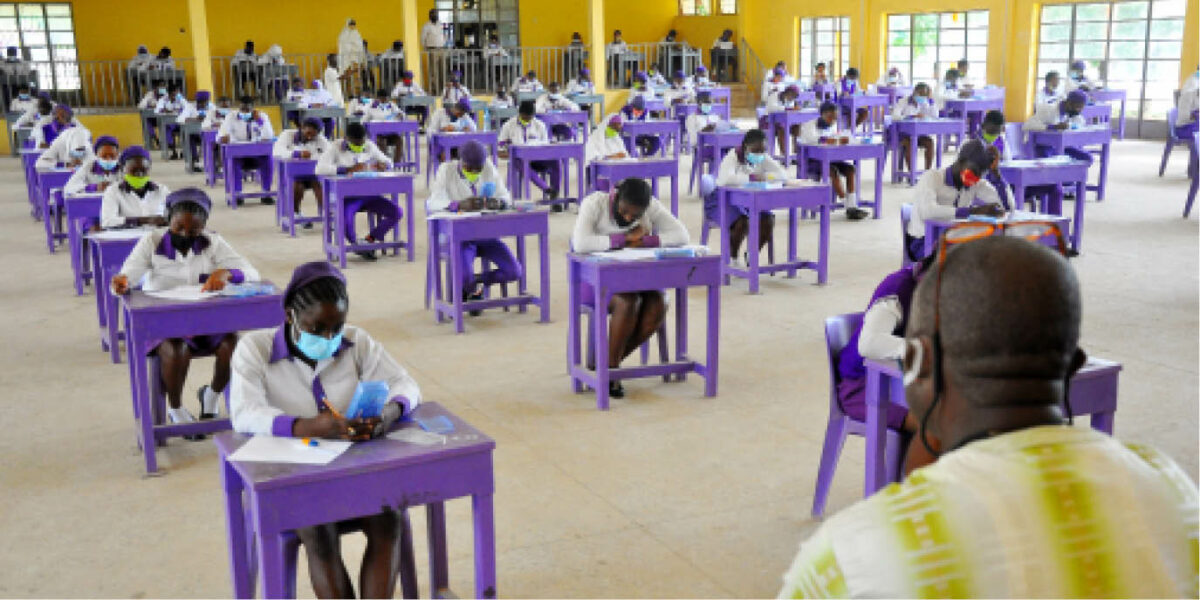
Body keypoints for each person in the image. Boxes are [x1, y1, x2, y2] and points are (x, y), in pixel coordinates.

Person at [779, 236, 1199, 599]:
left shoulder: (855, 559)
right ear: (1073, 365)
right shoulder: (1173, 490)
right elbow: (869, 343)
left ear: (919, 365)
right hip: (859, 384)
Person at [229, 261, 421, 600]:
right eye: (317, 328)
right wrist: (304, 426)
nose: (329, 338)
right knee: (318, 528)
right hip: (297, 478)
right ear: (290, 316)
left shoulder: (356, 342)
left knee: (389, 519)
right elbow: (244, 413)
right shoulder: (255, 350)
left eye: (337, 327)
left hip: (354, 469)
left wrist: (389, 413)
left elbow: (404, 382)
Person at [113, 189, 258, 436]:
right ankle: (176, 408)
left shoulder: (213, 242)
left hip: (205, 321)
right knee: (176, 350)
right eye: (179, 227)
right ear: (169, 219)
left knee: (233, 343)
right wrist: (122, 283)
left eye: (193, 231)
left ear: (204, 227)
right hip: (165, 325)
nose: (185, 235)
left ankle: (211, 395)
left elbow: (251, 272)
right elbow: (129, 274)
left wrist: (227, 273)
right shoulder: (152, 242)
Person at [571, 178, 689, 398]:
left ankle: (605, 366)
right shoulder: (594, 204)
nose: (628, 218)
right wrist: (624, 239)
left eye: (634, 216)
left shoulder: (650, 205)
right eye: (624, 211)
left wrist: (646, 242)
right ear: (616, 198)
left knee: (659, 303)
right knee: (629, 302)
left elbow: (682, 235)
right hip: (594, 282)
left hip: (638, 279)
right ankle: (612, 371)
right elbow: (581, 243)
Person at [834, 259, 932, 436]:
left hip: (907, 381)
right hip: (864, 388)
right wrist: (925, 351)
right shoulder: (898, 289)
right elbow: (870, 343)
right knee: (937, 428)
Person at [426, 140, 522, 312]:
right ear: (461, 161)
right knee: (463, 273)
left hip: (485, 234)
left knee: (514, 271)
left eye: (478, 168)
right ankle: (470, 287)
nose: (474, 172)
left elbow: (506, 196)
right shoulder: (446, 170)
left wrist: (497, 203)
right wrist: (456, 205)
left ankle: (473, 283)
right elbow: (433, 202)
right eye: (470, 168)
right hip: (460, 238)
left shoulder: (488, 168)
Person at [904, 140, 1004, 261]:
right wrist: (971, 212)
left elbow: (1006, 207)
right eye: (973, 172)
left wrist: (997, 176)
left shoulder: (976, 183)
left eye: (979, 175)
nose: (975, 178)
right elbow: (927, 212)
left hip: (954, 239)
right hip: (923, 241)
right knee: (968, 262)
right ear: (960, 162)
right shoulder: (932, 178)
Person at [314, 122, 399, 261]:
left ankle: (370, 239)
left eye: (361, 142)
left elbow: (388, 161)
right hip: (348, 197)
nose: (360, 146)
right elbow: (319, 169)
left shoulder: (369, 145)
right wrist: (346, 169)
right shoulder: (335, 147)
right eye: (356, 143)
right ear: (346, 138)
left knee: (396, 212)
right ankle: (356, 245)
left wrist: (385, 165)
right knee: (346, 220)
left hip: (368, 194)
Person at [704, 129, 783, 264]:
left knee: (768, 219)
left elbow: (782, 174)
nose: (759, 154)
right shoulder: (732, 157)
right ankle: (733, 256)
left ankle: (752, 254)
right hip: (722, 200)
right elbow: (726, 180)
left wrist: (765, 176)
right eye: (755, 150)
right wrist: (752, 178)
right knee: (742, 221)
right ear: (746, 147)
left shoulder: (762, 157)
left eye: (762, 150)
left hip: (748, 198)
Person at [799, 101, 869, 220]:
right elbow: (813, 140)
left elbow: (835, 138)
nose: (832, 120)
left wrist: (842, 140)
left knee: (850, 169)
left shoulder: (832, 126)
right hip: (812, 161)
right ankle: (848, 206)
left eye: (835, 118)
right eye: (830, 117)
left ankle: (852, 204)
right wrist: (830, 140)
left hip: (830, 158)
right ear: (822, 114)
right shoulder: (808, 126)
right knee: (833, 171)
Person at [217, 95, 276, 206]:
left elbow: (269, 136)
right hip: (239, 155)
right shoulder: (231, 117)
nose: (245, 111)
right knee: (233, 161)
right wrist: (224, 138)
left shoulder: (262, 116)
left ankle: (266, 192)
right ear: (239, 108)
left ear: (253, 108)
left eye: (248, 109)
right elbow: (221, 135)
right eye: (242, 108)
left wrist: (259, 121)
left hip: (256, 155)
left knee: (268, 159)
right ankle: (237, 193)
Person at [273, 117, 331, 228]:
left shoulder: (320, 139)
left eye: (313, 135)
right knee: (297, 185)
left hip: (312, 174)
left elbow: (329, 153)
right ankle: (296, 213)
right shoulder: (287, 135)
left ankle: (327, 214)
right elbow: (277, 151)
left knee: (321, 185)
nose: (310, 137)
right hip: (291, 175)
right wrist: (296, 154)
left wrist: (315, 156)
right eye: (308, 133)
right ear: (302, 128)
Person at [498, 100, 560, 202]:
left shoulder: (540, 125)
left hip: (538, 160)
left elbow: (546, 147)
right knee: (521, 162)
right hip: (519, 161)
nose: (527, 120)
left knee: (555, 161)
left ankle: (555, 197)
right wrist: (512, 153)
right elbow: (500, 151)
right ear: (519, 113)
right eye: (524, 117)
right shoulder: (508, 126)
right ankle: (547, 189)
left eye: (530, 117)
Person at [99, 145, 170, 229]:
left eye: (144, 170)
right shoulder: (113, 192)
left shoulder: (162, 191)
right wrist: (143, 220)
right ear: (122, 169)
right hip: (126, 240)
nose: (139, 175)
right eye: (134, 170)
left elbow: (173, 216)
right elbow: (107, 222)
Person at [1025, 90, 1092, 165]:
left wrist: (1073, 125)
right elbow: (1028, 125)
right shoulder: (1048, 109)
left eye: (1081, 108)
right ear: (1069, 103)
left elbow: (1080, 122)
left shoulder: (1070, 113)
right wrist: (1052, 127)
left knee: (1087, 158)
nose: (1079, 111)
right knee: (1053, 164)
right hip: (1041, 147)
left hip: (1059, 146)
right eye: (1078, 108)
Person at [893, 83, 938, 173]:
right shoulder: (903, 101)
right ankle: (911, 174)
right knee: (910, 144)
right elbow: (895, 116)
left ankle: (927, 172)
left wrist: (931, 101)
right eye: (920, 94)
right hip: (903, 134)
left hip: (918, 133)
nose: (921, 97)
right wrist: (911, 116)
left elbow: (935, 116)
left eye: (924, 95)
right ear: (915, 93)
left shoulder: (925, 102)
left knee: (930, 143)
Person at [976, 110, 1015, 208]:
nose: (994, 135)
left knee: (1008, 200)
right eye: (992, 131)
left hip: (997, 180)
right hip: (979, 185)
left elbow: (1008, 163)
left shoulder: (1001, 142)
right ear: (983, 126)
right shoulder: (972, 142)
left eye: (997, 131)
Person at [363, 88, 405, 164]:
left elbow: (401, 114)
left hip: (390, 133)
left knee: (399, 140)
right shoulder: (370, 106)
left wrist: (400, 115)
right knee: (381, 142)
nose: (384, 101)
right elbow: (363, 121)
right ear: (377, 98)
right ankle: (384, 163)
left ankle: (396, 164)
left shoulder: (392, 105)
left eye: (386, 99)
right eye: (382, 99)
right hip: (377, 134)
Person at [176, 90, 212, 169]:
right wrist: (194, 119)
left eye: (205, 102)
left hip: (207, 132)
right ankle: (195, 161)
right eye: (200, 102)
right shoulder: (190, 107)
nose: (202, 104)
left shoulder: (211, 107)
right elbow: (180, 119)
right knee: (189, 138)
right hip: (194, 134)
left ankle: (213, 164)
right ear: (197, 101)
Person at [765, 84, 803, 155]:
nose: (792, 98)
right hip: (769, 121)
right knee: (782, 127)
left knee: (797, 127)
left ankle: (796, 153)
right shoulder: (774, 95)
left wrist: (794, 109)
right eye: (792, 95)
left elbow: (790, 113)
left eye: (794, 97)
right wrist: (787, 109)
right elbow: (771, 108)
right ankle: (784, 154)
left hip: (784, 121)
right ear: (787, 92)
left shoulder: (791, 101)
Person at [155, 83, 187, 159]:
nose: (176, 95)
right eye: (174, 93)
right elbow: (157, 110)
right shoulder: (163, 100)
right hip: (169, 123)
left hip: (180, 123)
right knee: (167, 130)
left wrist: (181, 110)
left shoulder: (181, 99)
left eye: (177, 92)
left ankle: (184, 151)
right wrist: (165, 110)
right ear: (169, 93)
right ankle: (174, 152)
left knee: (185, 129)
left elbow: (187, 108)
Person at [337, 18, 367, 86]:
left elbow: (359, 46)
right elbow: (343, 46)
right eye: (351, 24)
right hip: (347, 58)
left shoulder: (356, 33)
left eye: (353, 24)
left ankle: (357, 93)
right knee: (347, 76)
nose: (352, 26)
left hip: (356, 58)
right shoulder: (344, 34)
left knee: (357, 76)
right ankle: (348, 93)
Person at [1172, 68, 1198, 140]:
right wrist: (1196, 115)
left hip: (1189, 125)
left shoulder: (1194, 91)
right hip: (1184, 128)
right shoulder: (1189, 94)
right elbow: (1188, 116)